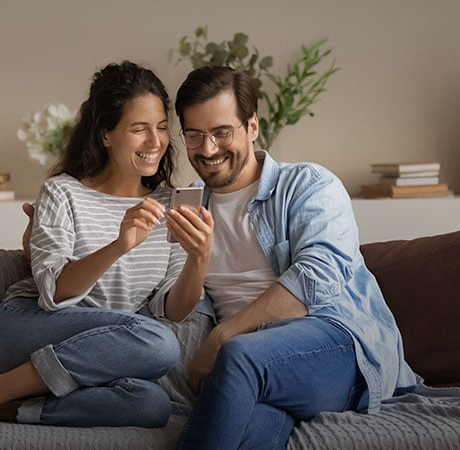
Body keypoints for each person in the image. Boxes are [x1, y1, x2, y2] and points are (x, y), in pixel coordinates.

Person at [0, 61, 214, 427]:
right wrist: (119, 245)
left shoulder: (170, 205)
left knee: (152, 404)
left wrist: (199, 257)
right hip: (22, 335)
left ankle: (17, 408)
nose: (155, 142)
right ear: (105, 135)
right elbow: (54, 295)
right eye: (139, 129)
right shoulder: (63, 192)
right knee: (159, 343)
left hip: (97, 354)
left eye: (162, 128)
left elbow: (174, 312)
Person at [165, 66, 417, 449]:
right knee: (257, 424)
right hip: (262, 370)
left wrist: (223, 335)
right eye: (195, 135)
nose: (208, 148)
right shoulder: (189, 207)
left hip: (335, 345)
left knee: (241, 356)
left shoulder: (308, 185)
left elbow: (317, 277)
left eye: (221, 132)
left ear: (252, 127)